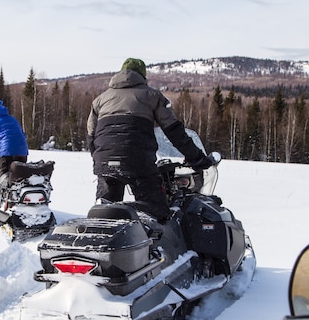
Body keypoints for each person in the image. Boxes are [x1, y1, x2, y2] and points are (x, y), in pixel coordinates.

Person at [86, 58, 214, 221]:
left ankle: (103, 240)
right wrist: (197, 159)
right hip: (138, 161)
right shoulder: (152, 96)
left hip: (104, 163)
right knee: (156, 212)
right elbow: (174, 131)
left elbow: (91, 135)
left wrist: (100, 160)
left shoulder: (99, 100)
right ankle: (148, 236)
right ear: (143, 76)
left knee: (103, 215)